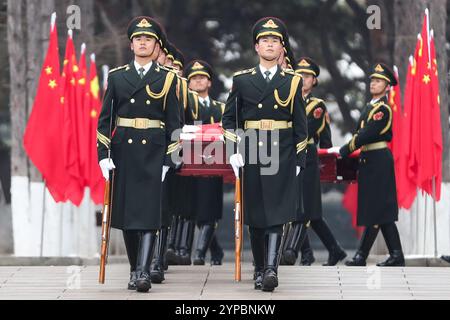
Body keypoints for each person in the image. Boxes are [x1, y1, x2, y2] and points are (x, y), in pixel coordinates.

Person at [222, 17, 308, 292]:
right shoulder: (242, 80)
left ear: (282, 48)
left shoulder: (293, 82)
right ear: (256, 47)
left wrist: (298, 158)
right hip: (251, 150)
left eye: (275, 41)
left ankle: (271, 269)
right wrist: (234, 149)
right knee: (256, 214)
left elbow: (300, 126)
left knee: (277, 211)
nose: (270, 45)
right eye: (265, 41)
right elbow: (229, 120)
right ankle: (260, 268)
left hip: (281, 151)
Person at [96, 16, 181, 292]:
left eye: (149, 39)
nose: (143, 43)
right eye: (138, 39)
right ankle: (135, 269)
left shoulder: (167, 79)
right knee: (129, 218)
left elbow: (175, 125)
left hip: (155, 152)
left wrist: (171, 158)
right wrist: (103, 154)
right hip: (125, 153)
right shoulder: (118, 77)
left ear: (156, 46)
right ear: (131, 44)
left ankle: (143, 272)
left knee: (148, 215)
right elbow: (105, 120)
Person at [329, 63, 405, 267]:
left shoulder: (382, 110)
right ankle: (387, 255)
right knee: (378, 210)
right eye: (372, 80)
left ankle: (370, 255)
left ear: (388, 86)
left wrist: (344, 150)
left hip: (379, 159)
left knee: (379, 208)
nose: (373, 83)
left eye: (378, 81)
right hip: (369, 160)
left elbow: (366, 134)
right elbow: (360, 133)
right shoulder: (370, 106)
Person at [282, 57, 347, 266]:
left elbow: (305, 130)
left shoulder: (316, 105)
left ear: (314, 81)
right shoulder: (287, 101)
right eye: (299, 75)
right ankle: (328, 250)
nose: (302, 79)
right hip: (288, 154)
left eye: (307, 76)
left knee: (304, 207)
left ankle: (293, 250)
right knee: (308, 210)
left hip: (307, 155)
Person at [184, 60, 225, 266]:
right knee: (195, 212)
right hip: (188, 163)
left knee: (209, 211)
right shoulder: (184, 107)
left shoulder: (221, 109)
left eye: (202, 77)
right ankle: (216, 250)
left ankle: (199, 253)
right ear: (188, 84)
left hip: (212, 163)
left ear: (209, 82)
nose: (198, 81)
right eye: (193, 78)